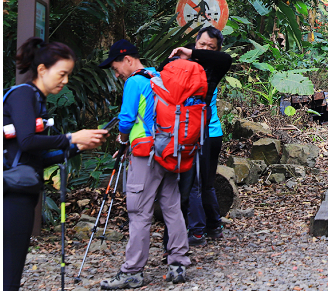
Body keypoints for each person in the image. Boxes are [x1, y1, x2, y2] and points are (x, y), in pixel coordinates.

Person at [3, 38, 108, 291]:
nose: (65, 81)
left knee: (12, 267)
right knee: (8, 270)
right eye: (62, 74)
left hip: (22, 193)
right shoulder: (23, 94)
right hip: (10, 196)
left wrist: (75, 148)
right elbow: (27, 142)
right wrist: (72, 137)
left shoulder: (35, 99)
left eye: (68, 75)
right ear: (42, 70)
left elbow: (34, 159)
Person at [98, 39, 190, 289]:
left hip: (145, 154)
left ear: (127, 59)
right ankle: (178, 265)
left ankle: (132, 271)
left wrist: (122, 140)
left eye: (115, 66)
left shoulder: (134, 81)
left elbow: (127, 120)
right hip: (169, 151)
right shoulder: (159, 76)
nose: (115, 72)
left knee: (139, 212)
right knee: (172, 207)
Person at [182, 26, 229, 246]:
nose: (205, 48)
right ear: (195, 41)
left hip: (207, 133)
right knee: (205, 184)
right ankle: (213, 226)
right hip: (203, 132)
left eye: (211, 46)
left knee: (196, 184)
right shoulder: (189, 64)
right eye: (201, 44)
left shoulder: (213, 65)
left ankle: (198, 230)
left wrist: (192, 53)